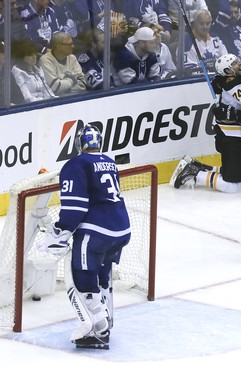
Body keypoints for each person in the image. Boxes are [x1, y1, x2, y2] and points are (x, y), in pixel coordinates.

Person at [37, 124, 131, 349]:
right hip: (121, 229)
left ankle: (98, 329)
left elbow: (75, 208)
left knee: (81, 276)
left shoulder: (76, 164)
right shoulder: (108, 161)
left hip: (96, 231)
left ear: (79, 144)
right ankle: (106, 319)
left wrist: (61, 230)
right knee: (102, 275)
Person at [171, 51, 241, 194]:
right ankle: (194, 173)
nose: (240, 66)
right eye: (235, 64)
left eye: (239, 63)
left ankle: (199, 167)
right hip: (231, 136)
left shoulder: (237, 80)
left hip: (240, 135)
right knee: (232, 186)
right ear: (227, 70)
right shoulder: (232, 83)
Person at [179, 8, 228, 73]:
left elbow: (226, 59)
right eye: (201, 23)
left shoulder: (215, 38)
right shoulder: (185, 43)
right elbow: (190, 72)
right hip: (199, 81)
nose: (205, 27)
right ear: (194, 23)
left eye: (207, 23)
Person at [38, 31, 87, 96]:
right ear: (58, 46)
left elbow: (83, 83)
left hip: (78, 97)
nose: (73, 46)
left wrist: (66, 89)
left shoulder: (72, 57)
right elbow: (55, 88)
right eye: (70, 44)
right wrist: (73, 79)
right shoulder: (45, 60)